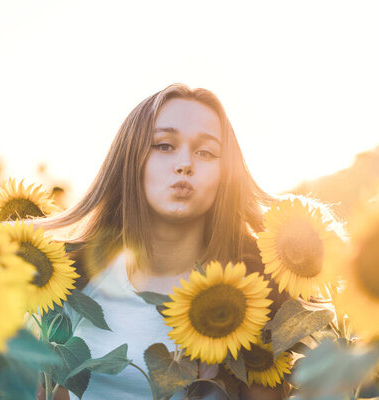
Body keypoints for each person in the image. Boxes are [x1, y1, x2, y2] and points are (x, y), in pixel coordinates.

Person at [36, 83, 286, 400]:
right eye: (164, 146)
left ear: (226, 175)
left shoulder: (253, 297)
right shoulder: (71, 282)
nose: (185, 164)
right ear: (130, 160)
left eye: (206, 152)